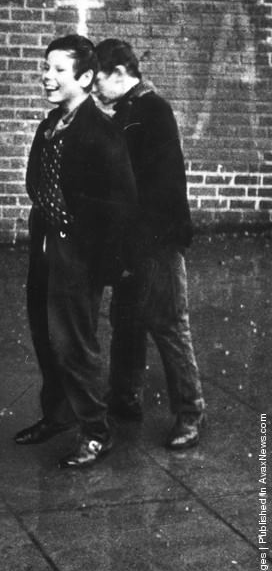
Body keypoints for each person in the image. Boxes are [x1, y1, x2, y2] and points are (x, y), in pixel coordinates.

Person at [13, 34, 137, 469]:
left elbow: (119, 206)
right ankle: (57, 417)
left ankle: (96, 431)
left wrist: (96, 263)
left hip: (79, 257)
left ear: (85, 78)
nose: (47, 77)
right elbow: (35, 181)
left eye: (58, 70)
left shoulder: (101, 131)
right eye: (45, 68)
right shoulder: (50, 124)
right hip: (46, 248)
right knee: (46, 338)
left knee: (75, 346)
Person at [94, 38, 205, 450]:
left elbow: (162, 189)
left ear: (121, 73)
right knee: (126, 320)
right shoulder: (129, 110)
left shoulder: (151, 109)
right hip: (135, 240)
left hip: (156, 240)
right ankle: (124, 397)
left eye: (99, 80)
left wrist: (141, 244)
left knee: (168, 323)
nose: (95, 88)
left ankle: (190, 412)